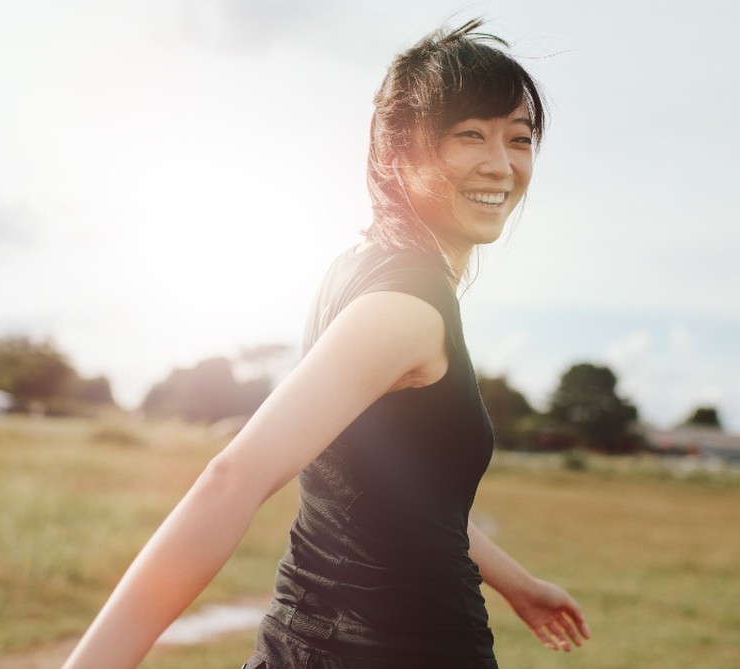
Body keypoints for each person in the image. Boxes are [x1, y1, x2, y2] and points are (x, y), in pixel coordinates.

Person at [62, 19, 590, 669]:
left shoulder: (356, 270)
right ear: (400, 153)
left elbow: (401, 495)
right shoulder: (405, 308)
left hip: (306, 643)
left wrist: (517, 581)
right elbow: (232, 478)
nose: (501, 164)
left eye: (520, 139)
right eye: (470, 135)